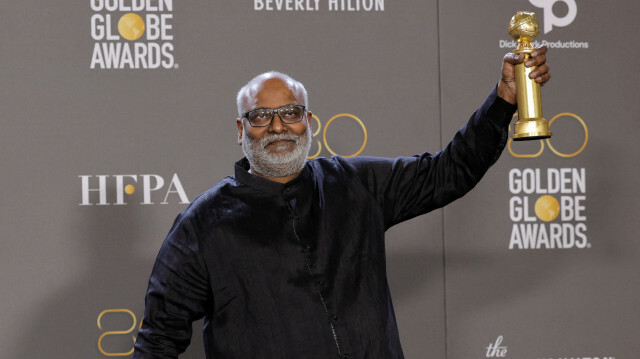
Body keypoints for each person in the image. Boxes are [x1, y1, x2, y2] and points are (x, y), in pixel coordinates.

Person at [133, 48, 550, 359]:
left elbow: (449, 171)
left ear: (309, 122)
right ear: (241, 129)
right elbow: (158, 340)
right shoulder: (202, 224)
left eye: (291, 113)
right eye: (261, 117)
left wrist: (503, 101)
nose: (278, 127)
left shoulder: (357, 184)